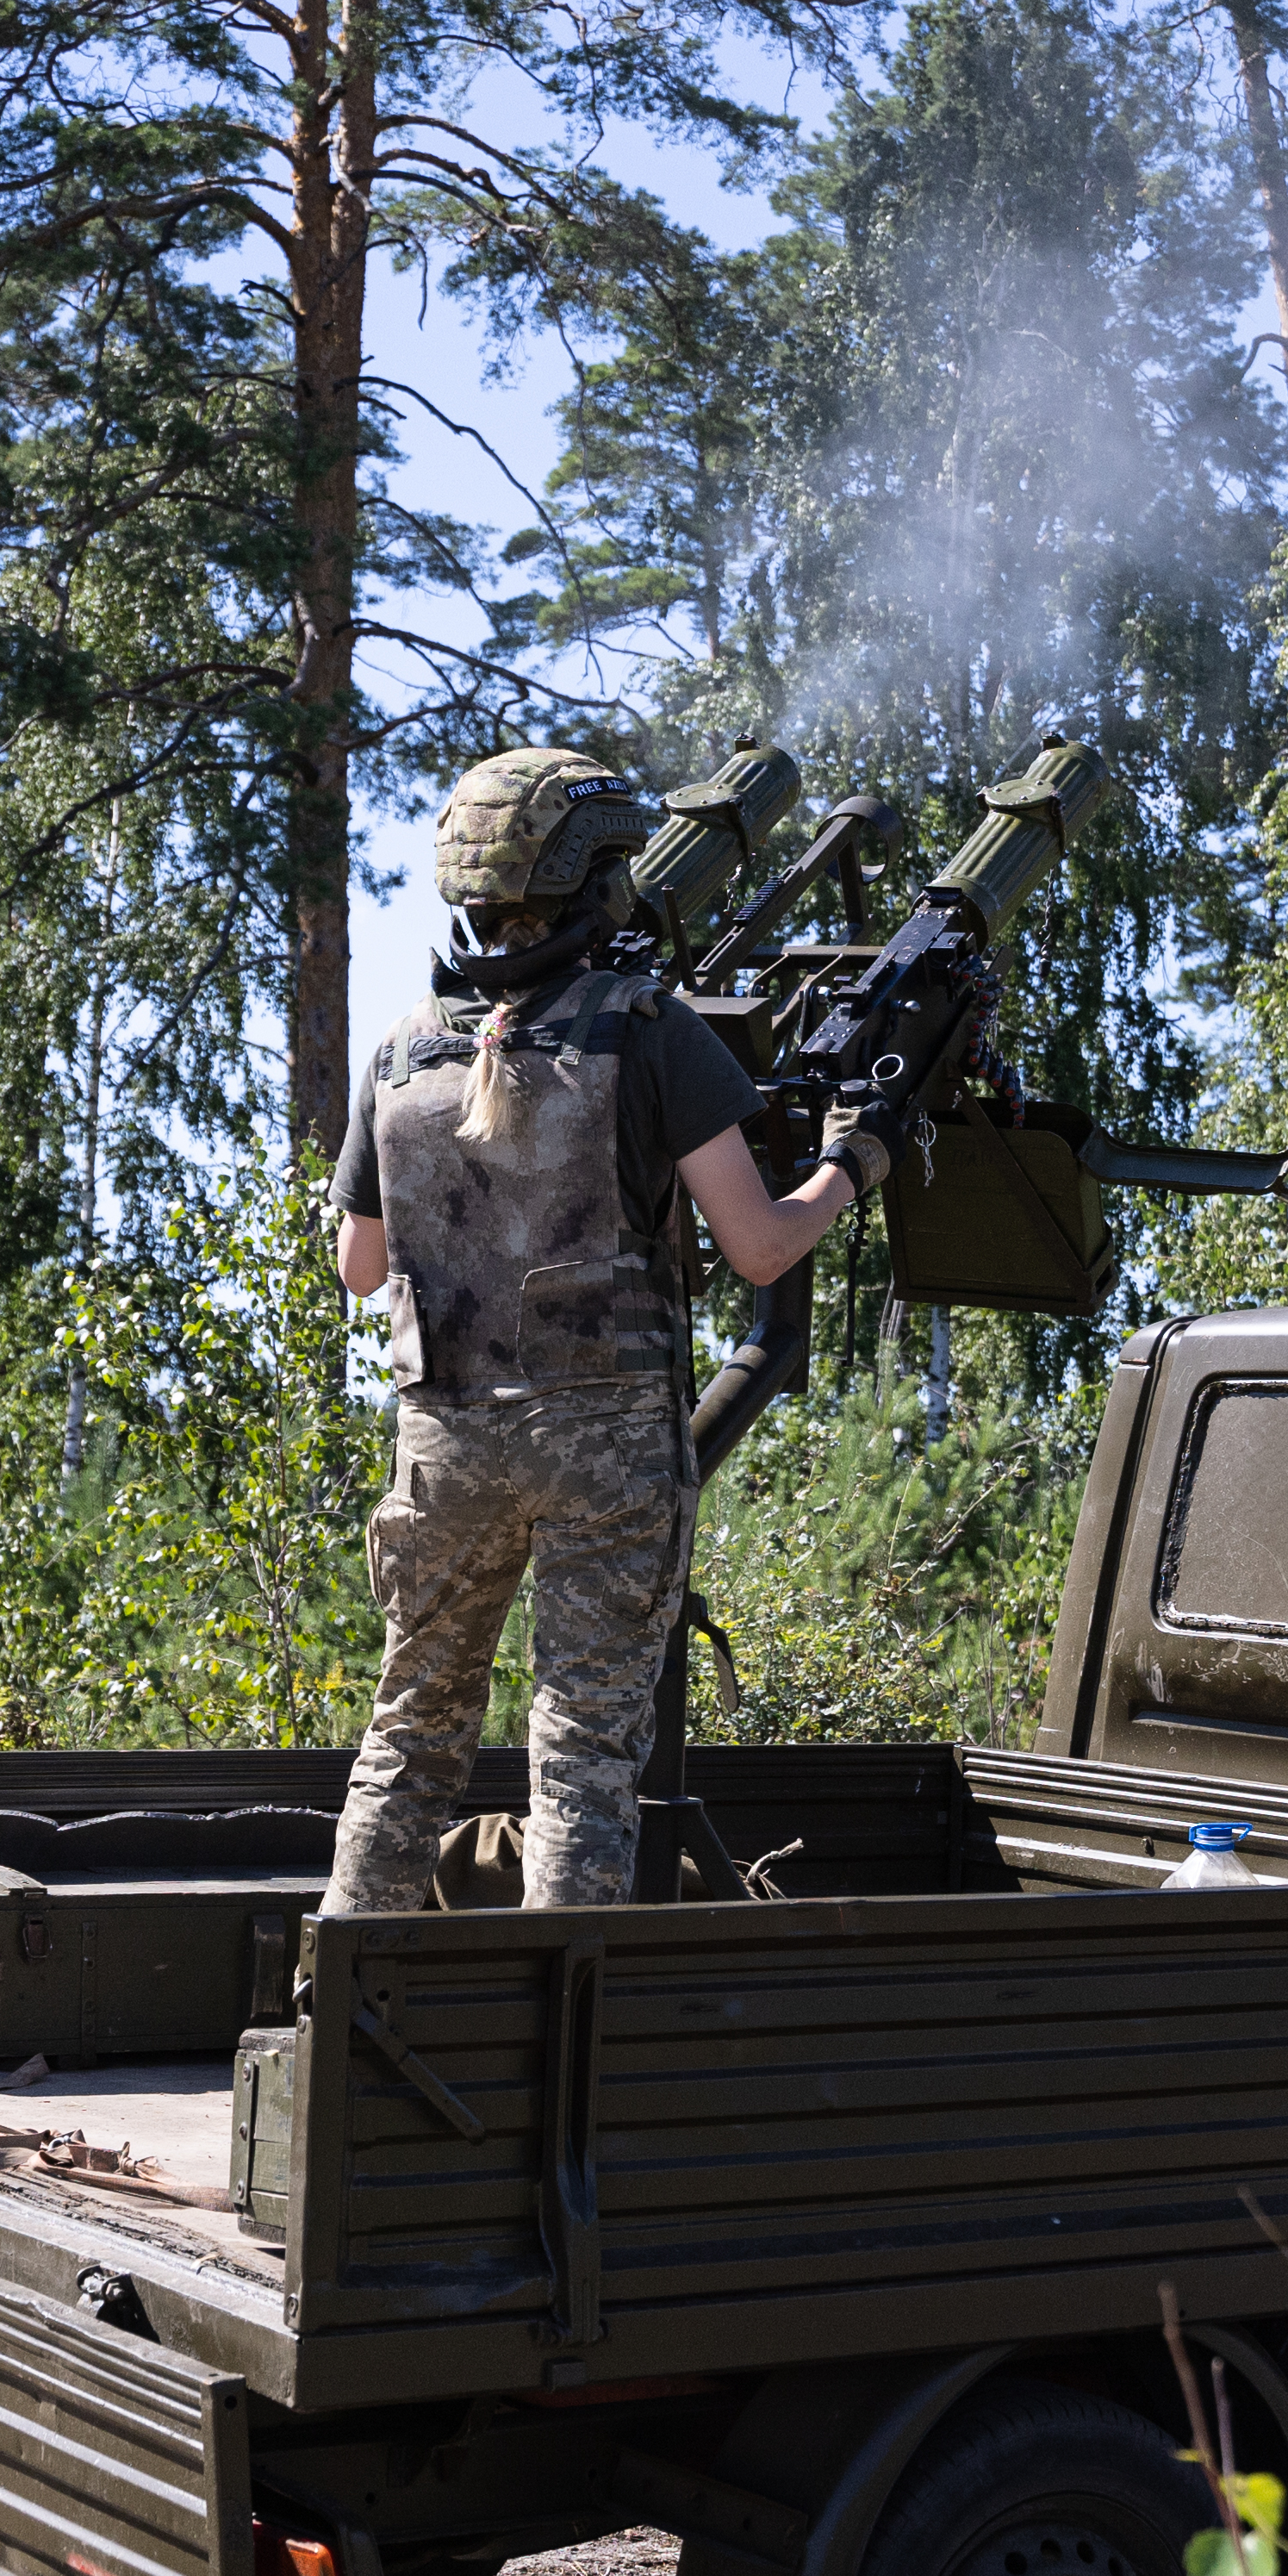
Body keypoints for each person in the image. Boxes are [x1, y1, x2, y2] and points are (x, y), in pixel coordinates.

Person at [325, 748, 887, 1920]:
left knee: (410, 1730)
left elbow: (361, 1267)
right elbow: (762, 1247)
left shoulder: (402, 1046)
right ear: (592, 886)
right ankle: (552, 2023)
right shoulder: (647, 1031)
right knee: (580, 1743)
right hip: (606, 1448)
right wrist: (852, 1164)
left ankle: (341, 1997)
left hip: (445, 1448)